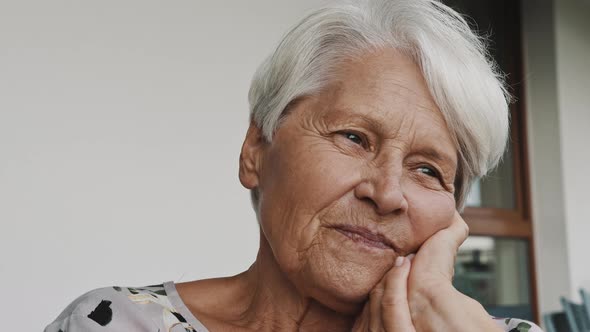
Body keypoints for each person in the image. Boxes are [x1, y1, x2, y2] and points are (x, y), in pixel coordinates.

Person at [45, 0, 543, 331]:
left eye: (428, 170)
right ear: (255, 149)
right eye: (354, 137)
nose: (388, 193)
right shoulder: (113, 322)